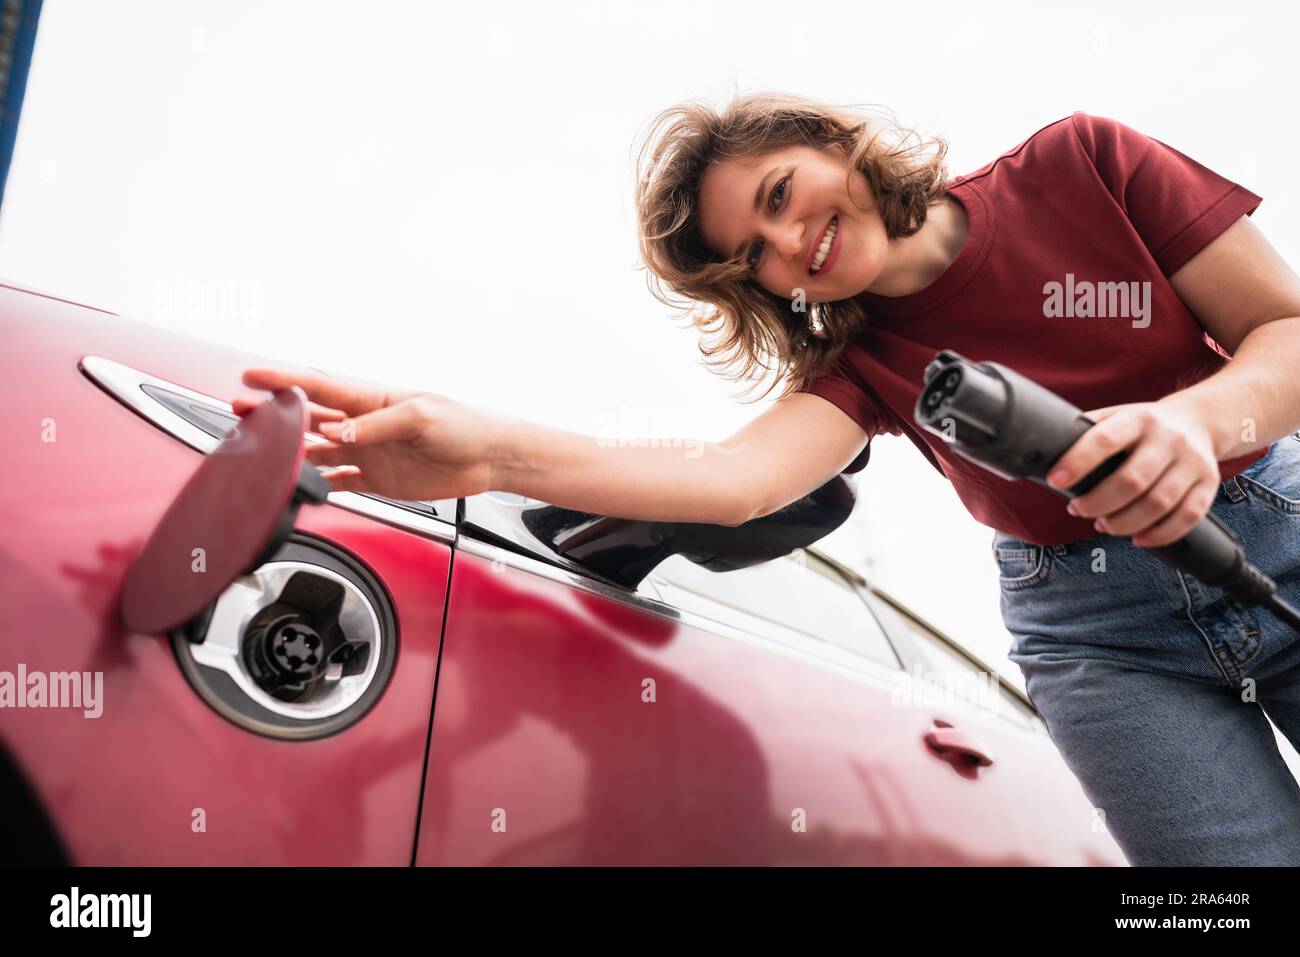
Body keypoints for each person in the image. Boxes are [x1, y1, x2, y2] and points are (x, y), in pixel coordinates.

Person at [234, 92, 1300, 866]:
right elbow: (735, 478)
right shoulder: (867, 368)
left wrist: (1193, 424)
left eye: (784, 196)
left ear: (835, 137)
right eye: (762, 255)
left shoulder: (1083, 161)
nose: (796, 244)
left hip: (1274, 523)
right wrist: (489, 452)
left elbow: (1283, 332)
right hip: (1097, 641)